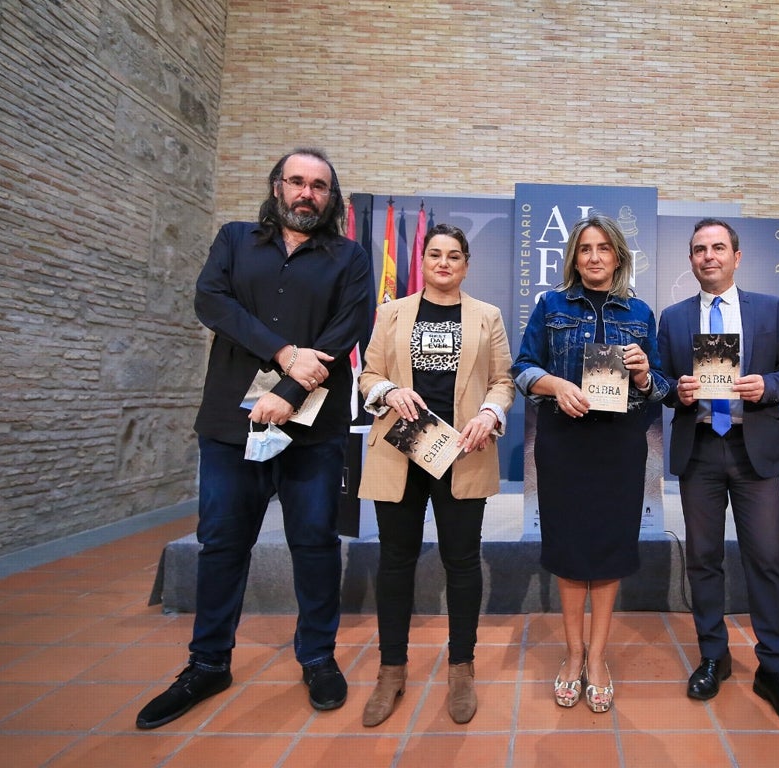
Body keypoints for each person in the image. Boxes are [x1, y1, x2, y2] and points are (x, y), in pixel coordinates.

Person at [136, 148, 374, 730]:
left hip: (313, 429)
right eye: (297, 181)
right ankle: (208, 662)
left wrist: (290, 388)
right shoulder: (236, 240)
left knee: (315, 543)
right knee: (221, 542)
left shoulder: (348, 257)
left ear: (332, 197)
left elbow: (351, 326)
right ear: (276, 187)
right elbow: (211, 301)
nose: (306, 193)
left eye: (319, 186)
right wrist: (283, 350)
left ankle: (317, 656)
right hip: (230, 423)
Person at [656, 218, 779, 729]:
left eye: (718, 248)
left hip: (754, 450)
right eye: (699, 249)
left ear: (737, 256)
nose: (709, 257)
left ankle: (775, 668)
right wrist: (673, 391)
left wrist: (764, 386)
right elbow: (657, 378)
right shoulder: (674, 318)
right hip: (700, 448)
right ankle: (713, 655)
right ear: (691, 259)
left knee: (766, 559)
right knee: (703, 559)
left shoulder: (770, 310)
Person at [356, 223, 515, 727]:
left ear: (466, 265)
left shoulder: (487, 315)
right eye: (434, 255)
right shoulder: (391, 312)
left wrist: (490, 413)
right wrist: (387, 392)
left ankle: (461, 668)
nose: (443, 263)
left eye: (453, 256)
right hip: (400, 452)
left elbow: (503, 380)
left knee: (462, 563)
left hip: (462, 453)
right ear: (422, 262)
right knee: (395, 562)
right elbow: (368, 373)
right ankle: (391, 671)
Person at [511, 212, 670, 713]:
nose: (595, 257)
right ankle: (573, 654)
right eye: (585, 249)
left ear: (618, 256)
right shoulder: (551, 305)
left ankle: (597, 657)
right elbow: (521, 368)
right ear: (574, 258)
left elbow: (661, 388)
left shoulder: (642, 312)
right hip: (565, 443)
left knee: (608, 550)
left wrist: (644, 376)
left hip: (620, 447)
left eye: (604, 248)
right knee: (569, 550)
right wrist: (555, 385)